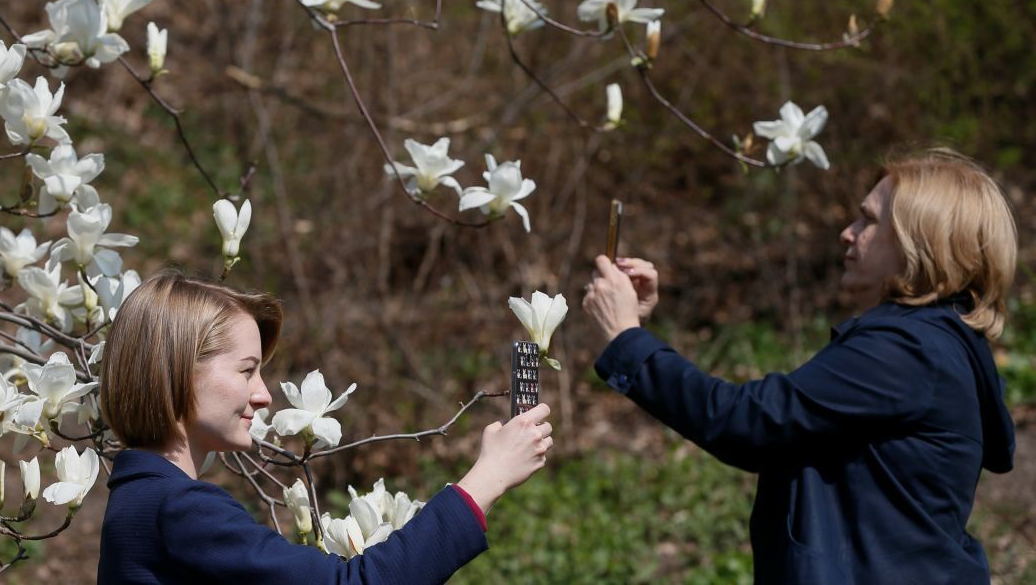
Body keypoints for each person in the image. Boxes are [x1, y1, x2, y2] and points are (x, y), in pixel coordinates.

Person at [582, 148, 1017, 584]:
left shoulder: (909, 350)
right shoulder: (932, 347)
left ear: (919, 242)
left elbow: (746, 422)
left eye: (868, 221)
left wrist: (627, 340)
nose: (847, 233)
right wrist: (633, 331)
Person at [97, 270, 553, 584]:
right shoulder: (179, 510)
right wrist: (488, 478)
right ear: (178, 371)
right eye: (246, 370)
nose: (264, 395)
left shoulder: (140, 501)